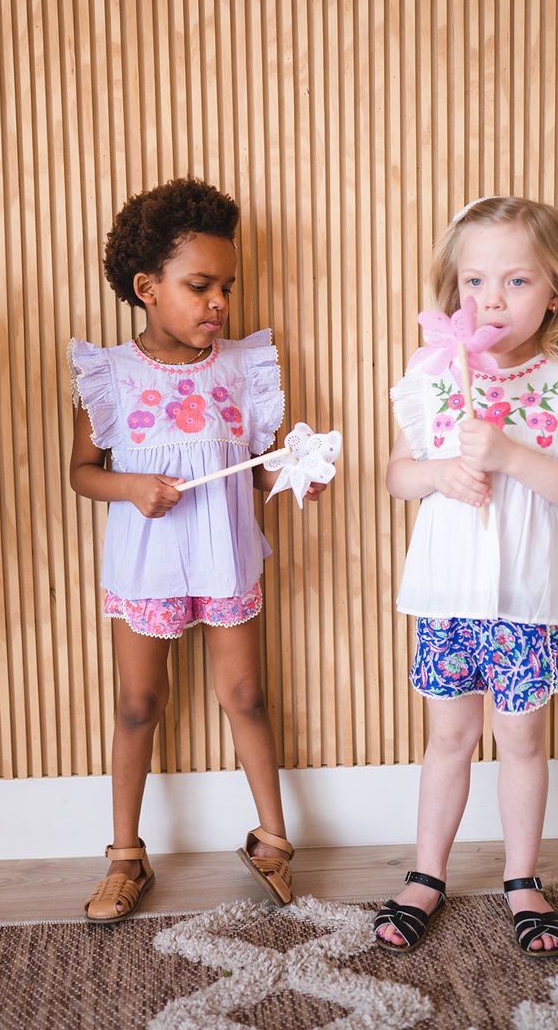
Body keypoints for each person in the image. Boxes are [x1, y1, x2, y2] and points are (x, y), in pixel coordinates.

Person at [69, 177, 327, 923]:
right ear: (147, 288)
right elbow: (82, 474)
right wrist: (129, 487)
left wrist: (293, 479)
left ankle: (273, 839)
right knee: (137, 704)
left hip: (224, 559)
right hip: (147, 564)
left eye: (226, 286)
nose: (218, 302)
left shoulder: (242, 369)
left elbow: (261, 464)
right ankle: (124, 854)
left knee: (246, 696)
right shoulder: (107, 377)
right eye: (199, 285)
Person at [376, 196, 558, 957]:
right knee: (448, 736)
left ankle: (521, 877)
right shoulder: (436, 375)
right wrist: (443, 472)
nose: (490, 299)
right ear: (453, 290)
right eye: (474, 280)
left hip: (526, 598)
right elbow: (395, 475)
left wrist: (512, 455)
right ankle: (426, 872)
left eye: (516, 281)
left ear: (555, 291)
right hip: (449, 594)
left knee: (520, 740)